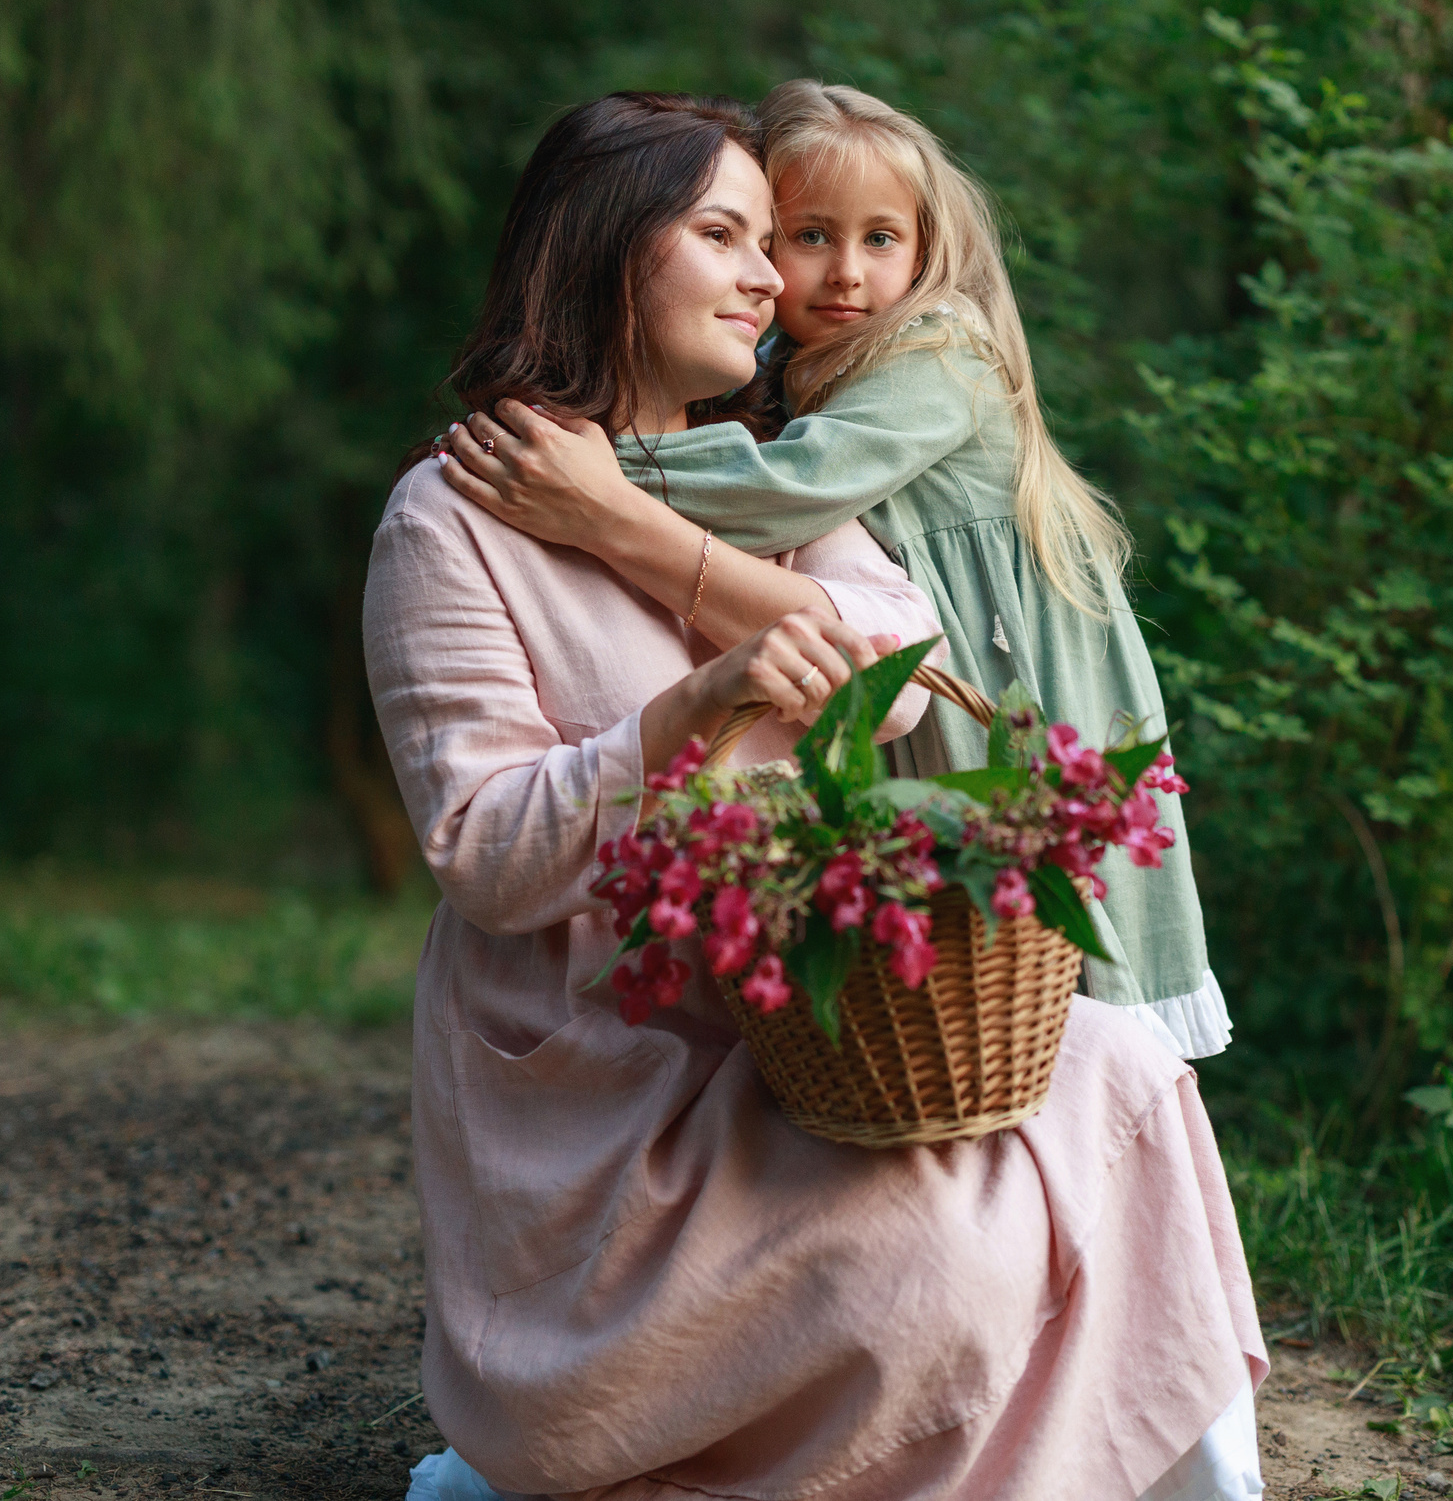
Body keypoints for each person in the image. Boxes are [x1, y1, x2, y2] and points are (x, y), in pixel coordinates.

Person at [371, 91, 1268, 1501]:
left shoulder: (768, 486)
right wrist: (695, 710)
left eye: (764, 241)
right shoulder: (455, 517)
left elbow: (895, 678)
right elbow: (485, 854)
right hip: (611, 1099)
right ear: (606, 245)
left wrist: (631, 530)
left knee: (1123, 1071)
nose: (770, 280)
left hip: (811, 1046)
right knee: (944, 1264)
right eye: (727, 235)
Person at [436, 80, 1229, 1065]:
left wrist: (601, 473)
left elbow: (790, 486)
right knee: (953, 933)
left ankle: (1093, 1092)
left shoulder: (938, 350)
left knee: (1049, 924)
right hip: (922, 672)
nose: (845, 272)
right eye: (807, 236)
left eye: (881, 239)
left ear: (925, 250)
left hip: (1007, 664)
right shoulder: (789, 374)